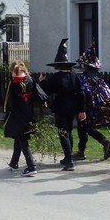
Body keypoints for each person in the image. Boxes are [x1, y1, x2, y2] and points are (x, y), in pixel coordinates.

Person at [38, 38, 86, 171]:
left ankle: (69, 161)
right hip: (73, 107)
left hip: (61, 107)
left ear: (58, 65)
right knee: (68, 131)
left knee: (63, 132)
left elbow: (46, 92)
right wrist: (82, 110)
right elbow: (81, 93)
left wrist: (42, 81)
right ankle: (67, 157)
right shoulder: (75, 76)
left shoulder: (56, 77)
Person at [74, 43, 110, 161]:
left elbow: (85, 92)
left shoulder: (84, 76)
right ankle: (81, 151)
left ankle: (104, 142)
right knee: (84, 127)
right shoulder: (97, 76)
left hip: (87, 106)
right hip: (97, 106)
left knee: (86, 127)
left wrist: (82, 108)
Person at [4, 60, 38, 177]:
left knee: (23, 139)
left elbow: (8, 102)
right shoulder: (31, 81)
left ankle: (31, 166)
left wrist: (6, 113)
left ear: (14, 71)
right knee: (18, 137)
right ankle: (14, 163)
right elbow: (38, 96)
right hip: (29, 114)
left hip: (18, 115)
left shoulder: (13, 84)